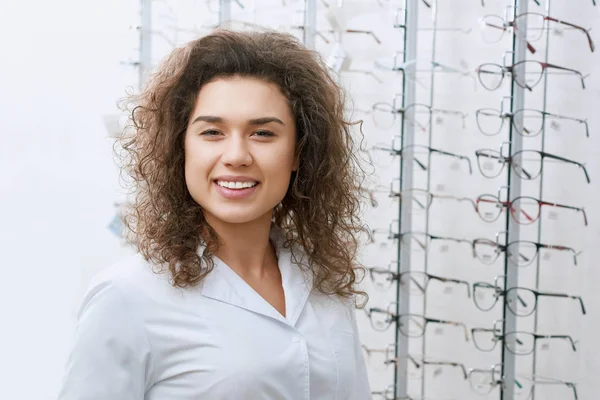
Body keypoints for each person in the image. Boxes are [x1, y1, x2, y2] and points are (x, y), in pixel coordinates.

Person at [57, 27, 372, 399]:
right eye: (212, 132)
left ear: (299, 152)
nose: (237, 155)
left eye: (263, 134)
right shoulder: (127, 298)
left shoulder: (324, 284)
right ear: (181, 148)